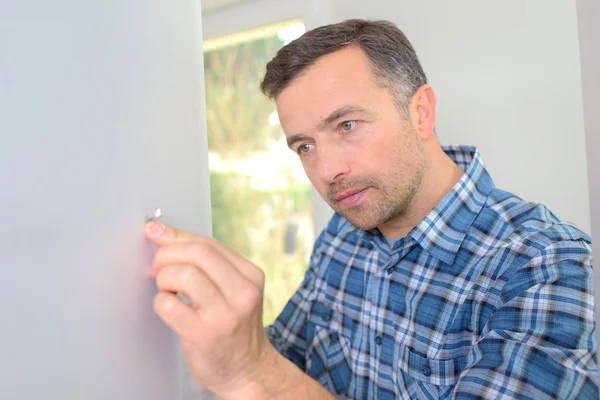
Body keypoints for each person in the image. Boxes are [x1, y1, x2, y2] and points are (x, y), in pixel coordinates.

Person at [144, 19, 598, 399]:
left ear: (420, 112)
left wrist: (252, 372)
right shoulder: (343, 234)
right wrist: (226, 334)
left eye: (347, 125)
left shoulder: (541, 260)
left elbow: (265, 371)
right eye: (304, 146)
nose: (327, 170)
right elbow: (286, 355)